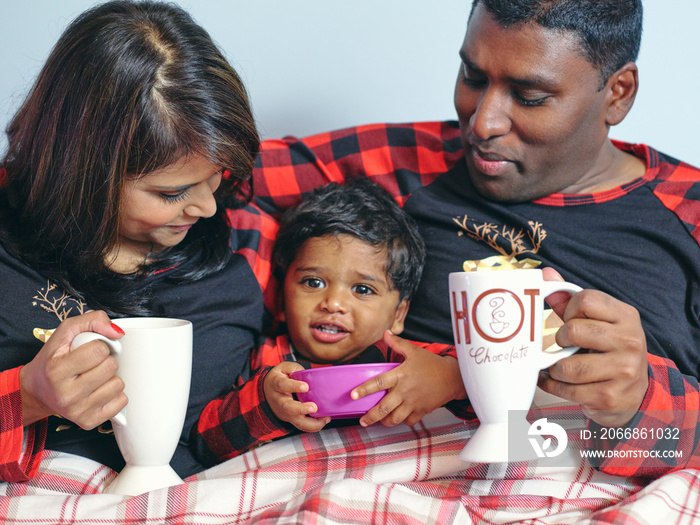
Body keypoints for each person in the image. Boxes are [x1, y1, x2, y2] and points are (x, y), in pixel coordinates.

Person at [252, 0, 700, 478]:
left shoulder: (687, 215)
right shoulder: (405, 167)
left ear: (618, 93)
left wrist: (642, 404)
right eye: (473, 76)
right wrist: (251, 316)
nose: (483, 124)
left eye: (528, 96)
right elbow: (207, 180)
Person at [0, 0, 278, 481]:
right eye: (171, 193)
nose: (207, 208)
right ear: (82, 171)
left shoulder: (242, 250)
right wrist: (26, 397)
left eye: (216, 177)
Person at [191, 178, 468, 466]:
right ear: (282, 296)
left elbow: (506, 391)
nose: (333, 304)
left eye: (362, 289)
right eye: (313, 282)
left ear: (399, 314)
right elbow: (204, 443)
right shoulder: (262, 363)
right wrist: (266, 405)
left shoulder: (406, 361)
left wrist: (451, 378)